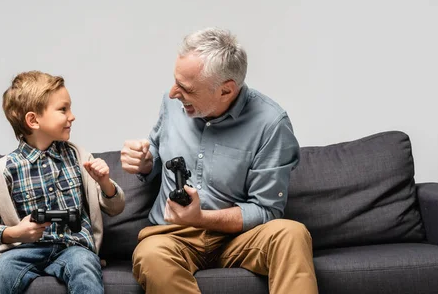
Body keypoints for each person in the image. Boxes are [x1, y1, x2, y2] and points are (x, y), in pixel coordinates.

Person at [121, 28, 318, 294]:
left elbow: (266, 210)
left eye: (186, 88)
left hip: (238, 240)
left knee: (291, 234)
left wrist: (201, 217)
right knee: (150, 255)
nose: (172, 93)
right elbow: (156, 152)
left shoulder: (271, 124)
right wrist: (145, 161)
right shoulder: (172, 105)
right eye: (175, 81)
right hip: (171, 237)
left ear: (226, 91)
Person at [0, 71, 125, 294]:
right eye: (63, 109)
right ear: (33, 120)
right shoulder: (1, 172)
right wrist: (14, 233)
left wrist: (105, 183)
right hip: (23, 250)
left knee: (85, 267)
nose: (72, 116)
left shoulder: (81, 158)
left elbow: (116, 207)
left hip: (74, 248)